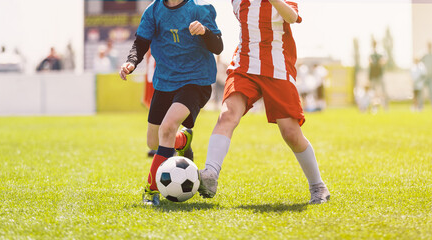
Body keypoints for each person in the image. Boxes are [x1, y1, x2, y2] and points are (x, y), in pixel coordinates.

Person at [198, 0, 330, 204]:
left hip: (277, 67)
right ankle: (210, 173)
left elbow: (292, 17)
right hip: (244, 64)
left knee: (291, 133)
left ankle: (317, 186)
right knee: (227, 115)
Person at [119, 0, 223, 206]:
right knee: (153, 142)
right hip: (165, 81)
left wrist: (204, 31)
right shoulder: (153, 10)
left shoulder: (200, 9)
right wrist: (131, 61)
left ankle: (151, 191)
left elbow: (218, 47)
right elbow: (140, 43)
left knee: (167, 128)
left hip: (196, 80)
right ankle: (182, 141)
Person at [368, 40, 388, 111]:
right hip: (373, 75)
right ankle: (374, 107)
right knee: (373, 93)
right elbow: (369, 62)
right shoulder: (370, 53)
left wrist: (380, 62)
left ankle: (385, 107)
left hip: (380, 74)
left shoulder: (381, 52)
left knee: (383, 91)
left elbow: (383, 61)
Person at [420, 42, 432, 111]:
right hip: (424, 77)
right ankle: (420, 107)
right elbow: (420, 63)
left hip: (431, 77)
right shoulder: (424, 55)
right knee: (421, 92)